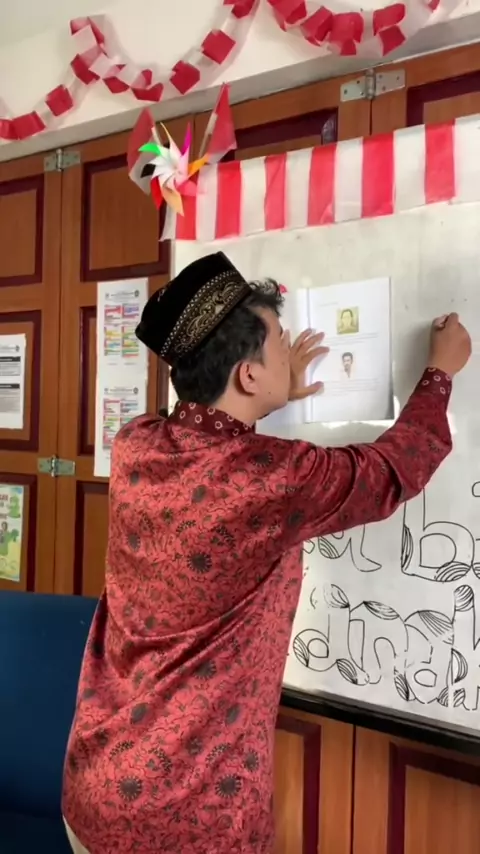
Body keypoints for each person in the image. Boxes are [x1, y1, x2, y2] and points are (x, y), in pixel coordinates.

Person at [62, 252, 471, 854]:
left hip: (94, 789)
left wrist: (266, 396)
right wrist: (440, 372)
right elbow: (390, 471)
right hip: (185, 820)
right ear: (247, 375)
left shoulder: (136, 444)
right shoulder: (271, 477)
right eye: (279, 340)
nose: (288, 350)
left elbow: (208, 436)